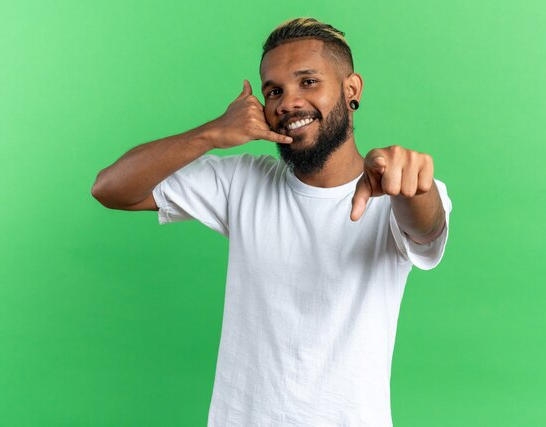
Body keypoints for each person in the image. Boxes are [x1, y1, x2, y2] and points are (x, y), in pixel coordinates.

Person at [92, 17, 452, 427]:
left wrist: (414, 188)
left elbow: (425, 230)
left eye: (308, 82)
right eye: (273, 91)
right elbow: (110, 188)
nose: (287, 103)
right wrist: (211, 133)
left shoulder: (397, 190)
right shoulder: (243, 181)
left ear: (351, 90)